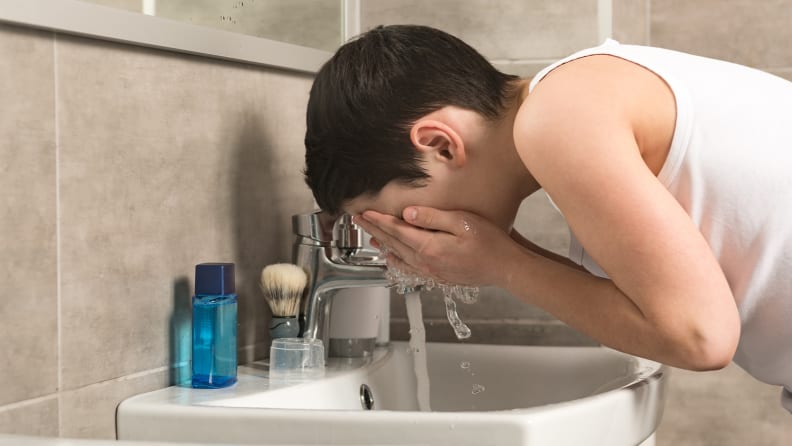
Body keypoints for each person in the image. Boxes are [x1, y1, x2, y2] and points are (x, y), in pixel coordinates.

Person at [302, 24, 792, 411]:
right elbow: (664, 309)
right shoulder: (575, 99)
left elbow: (700, 338)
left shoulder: (557, 121)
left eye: (400, 218)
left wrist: (502, 264)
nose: (407, 240)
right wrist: (499, 255)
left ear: (439, 144)